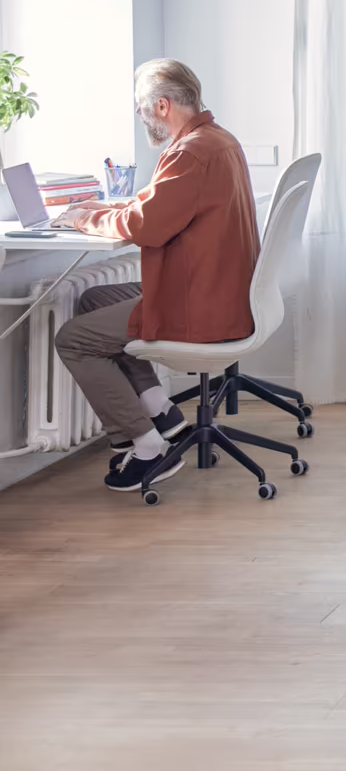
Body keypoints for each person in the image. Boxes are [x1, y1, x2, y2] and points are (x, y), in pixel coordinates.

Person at [54, 59, 260, 492]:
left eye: (141, 105)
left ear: (162, 105)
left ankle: (148, 447)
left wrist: (80, 220)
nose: (138, 113)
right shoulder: (217, 140)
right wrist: (99, 208)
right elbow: (155, 203)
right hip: (220, 291)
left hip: (200, 306)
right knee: (94, 300)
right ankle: (161, 411)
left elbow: (146, 226)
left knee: (74, 340)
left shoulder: (189, 153)